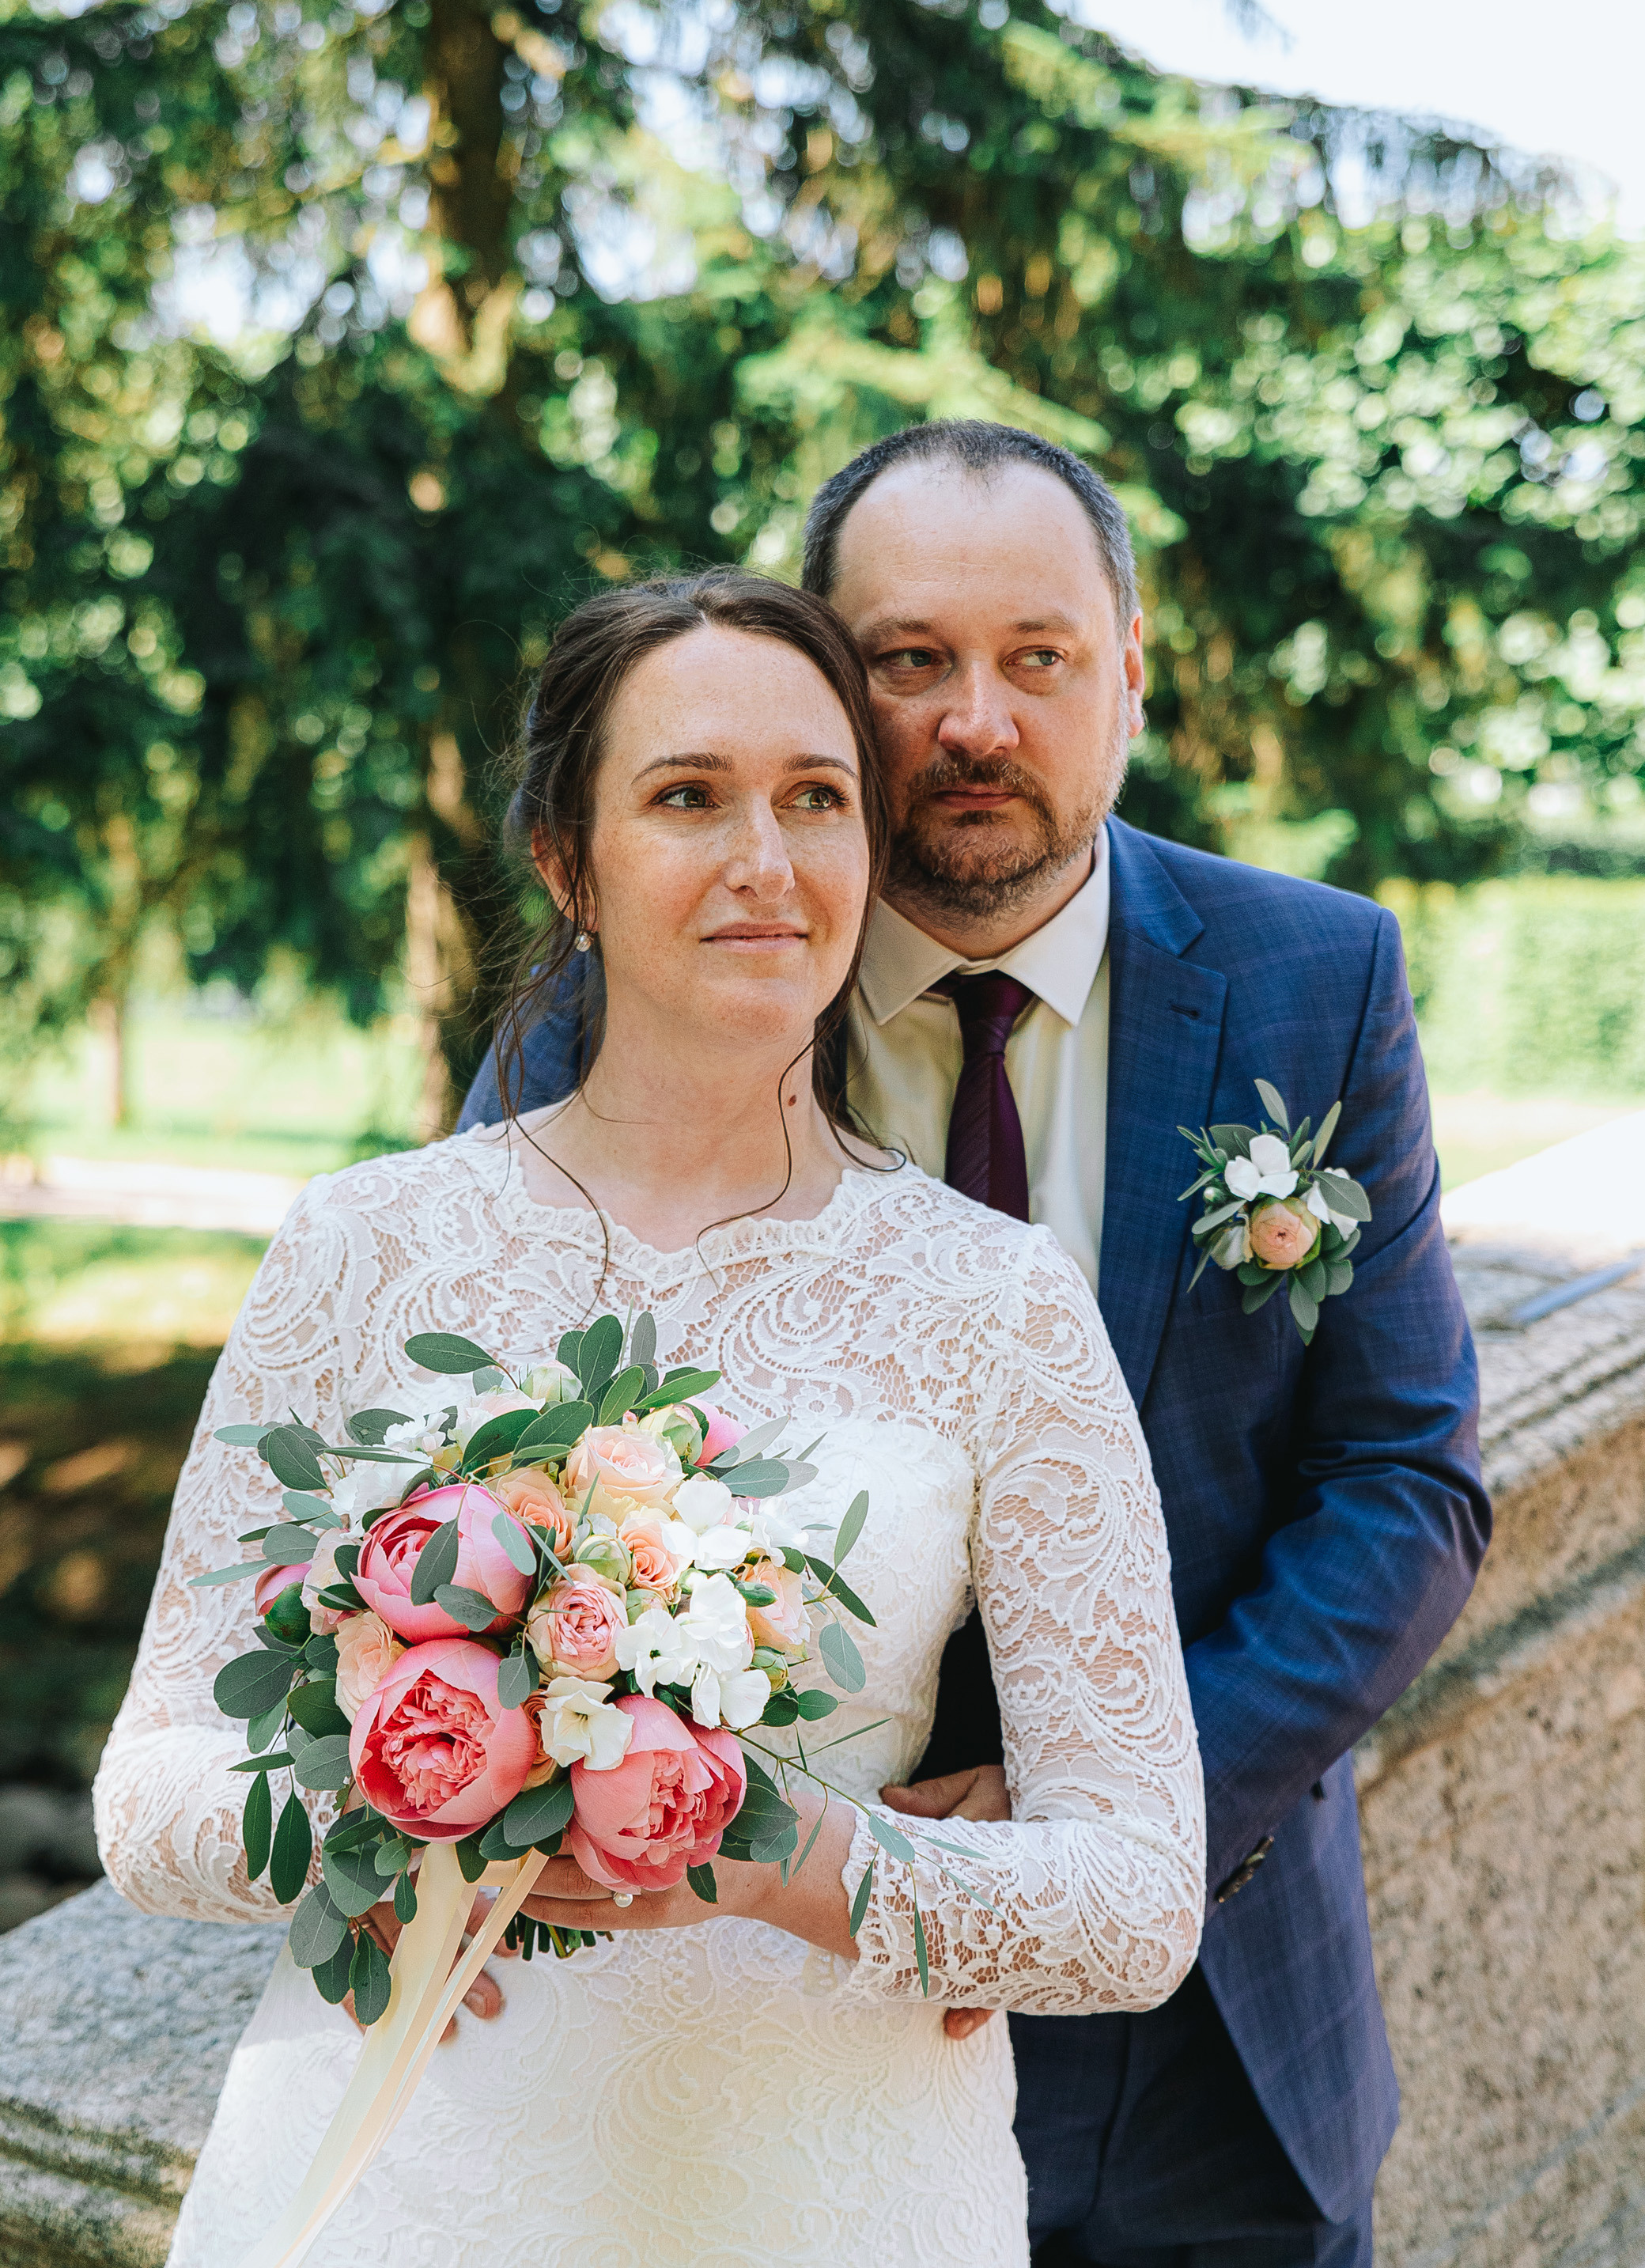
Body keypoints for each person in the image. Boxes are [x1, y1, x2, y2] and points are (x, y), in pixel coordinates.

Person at [460, 424, 1490, 2265]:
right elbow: (466, 1462)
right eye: (907, 660)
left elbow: (1401, 1481)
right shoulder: (626, 1007)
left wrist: (1108, 1813)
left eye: (1037, 657)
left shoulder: (1313, 981)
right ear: (818, 679)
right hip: (751, 2011)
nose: (974, 721)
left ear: (1127, 674)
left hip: (1208, 2030)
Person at [94, 569, 1204, 2268]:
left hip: (824, 2186)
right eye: (689, 798)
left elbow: (1135, 1899)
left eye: (816, 800)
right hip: (399, 2179)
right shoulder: (364, 1246)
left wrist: (786, 1857)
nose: (767, 861)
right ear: (568, 860)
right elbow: (151, 1790)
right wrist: (404, 1811)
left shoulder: (1000, 1301)